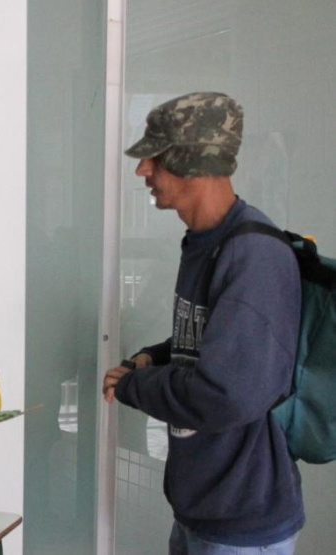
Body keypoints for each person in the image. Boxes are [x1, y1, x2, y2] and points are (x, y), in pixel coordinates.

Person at [102, 93, 303, 554]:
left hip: (243, 522)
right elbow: (208, 340)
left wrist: (137, 386)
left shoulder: (253, 254)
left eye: (155, 158)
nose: (142, 171)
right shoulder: (205, 241)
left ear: (192, 161)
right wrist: (151, 357)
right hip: (203, 511)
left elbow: (223, 392)